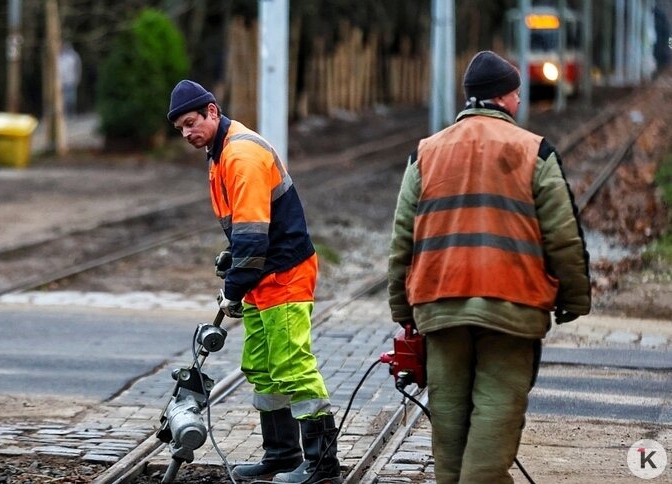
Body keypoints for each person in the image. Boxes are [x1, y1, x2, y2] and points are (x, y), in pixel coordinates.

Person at [386, 51, 591, 484]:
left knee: (449, 419)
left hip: (439, 305)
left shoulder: (425, 153)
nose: (519, 103)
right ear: (506, 98)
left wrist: (403, 309)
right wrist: (574, 296)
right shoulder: (534, 151)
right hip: (511, 306)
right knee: (496, 411)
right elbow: (563, 236)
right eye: (518, 95)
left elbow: (402, 238)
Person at [167, 79, 341, 484]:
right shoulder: (220, 151)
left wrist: (232, 289)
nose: (187, 133)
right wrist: (236, 264)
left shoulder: (240, 154)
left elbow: (251, 234)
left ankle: (322, 465)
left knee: (293, 366)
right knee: (261, 367)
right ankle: (280, 455)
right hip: (264, 272)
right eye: (180, 129)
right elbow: (249, 228)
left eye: (191, 122)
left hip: (283, 273)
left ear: (212, 111)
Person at [58, 42, 81, 115]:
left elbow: (78, 68)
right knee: (64, 99)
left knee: (71, 99)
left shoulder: (73, 56)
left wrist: (77, 78)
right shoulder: (59, 57)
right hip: (62, 81)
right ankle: (66, 114)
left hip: (71, 80)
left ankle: (72, 113)